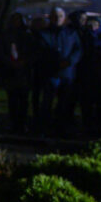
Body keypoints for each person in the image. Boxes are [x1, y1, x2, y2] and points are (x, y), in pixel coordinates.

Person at [35, 7, 82, 135]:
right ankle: (44, 128)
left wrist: (69, 61)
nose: (57, 19)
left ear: (64, 18)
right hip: (50, 73)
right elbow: (40, 51)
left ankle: (61, 127)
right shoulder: (43, 33)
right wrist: (55, 62)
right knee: (47, 102)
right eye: (55, 16)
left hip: (67, 73)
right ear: (50, 18)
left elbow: (78, 50)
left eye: (60, 16)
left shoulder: (71, 33)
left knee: (64, 102)